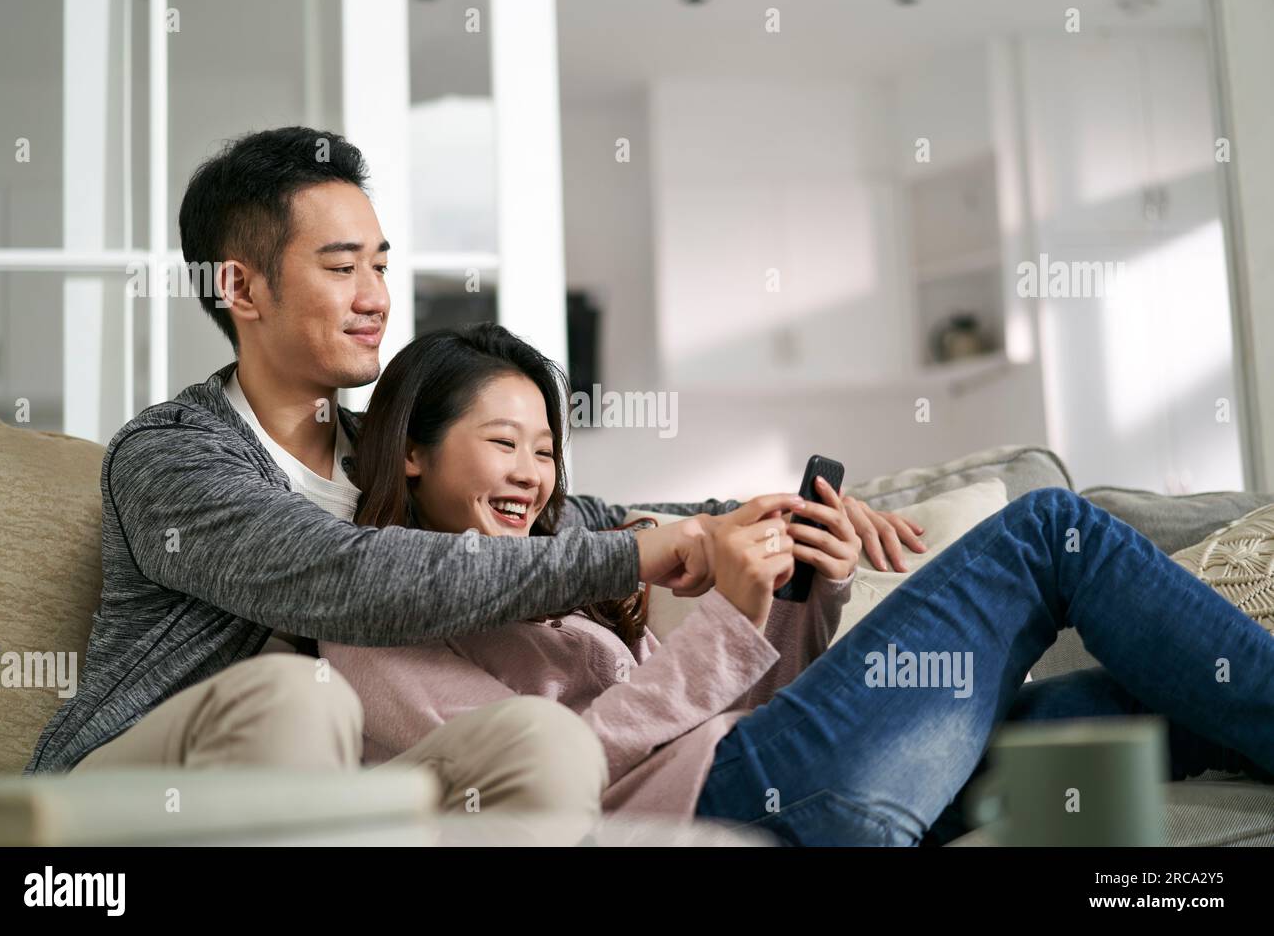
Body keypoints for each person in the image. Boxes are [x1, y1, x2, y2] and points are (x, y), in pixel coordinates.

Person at [24, 127, 767, 843]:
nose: (376, 298)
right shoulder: (173, 456)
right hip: (127, 795)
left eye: (380, 266)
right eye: (343, 269)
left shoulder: (387, 456)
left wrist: (774, 519)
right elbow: (351, 577)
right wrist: (638, 555)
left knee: (540, 741)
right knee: (297, 699)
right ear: (240, 288)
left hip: (328, 802)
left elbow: (592, 516)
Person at [321, 321, 1274, 845]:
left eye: (544, 449)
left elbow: (742, 707)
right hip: (726, 806)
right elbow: (543, 781)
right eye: (502, 445)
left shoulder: (559, 585)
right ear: (409, 453)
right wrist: (727, 619)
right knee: (1048, 532)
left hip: (786, 776)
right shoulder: (368, 626)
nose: (535, 476)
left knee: (1127, 707)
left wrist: (799, 598)